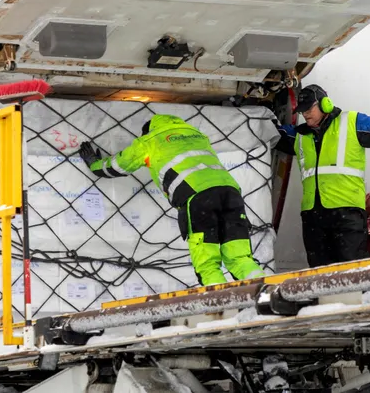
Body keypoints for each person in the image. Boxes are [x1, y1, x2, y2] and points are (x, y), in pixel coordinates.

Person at [78, 114, 265, 286]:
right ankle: (266, 294)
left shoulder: (149, 140)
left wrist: (95, 165)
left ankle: (223, 307)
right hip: (231, 193)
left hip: (198, 198)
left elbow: (120, 165)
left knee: (207, 265)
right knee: (241, 258)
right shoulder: (196, 134)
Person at [276, 84, 370, 268]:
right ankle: (326, 299)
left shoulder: (352, 122)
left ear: (325, 104)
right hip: (313, 216)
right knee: (319, 271)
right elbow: (273, 133)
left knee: (352, 270)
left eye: (309, 109)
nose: (305, 114)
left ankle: (356, 298)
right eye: (302, 111)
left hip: (347, 213)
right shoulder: (300, 135)